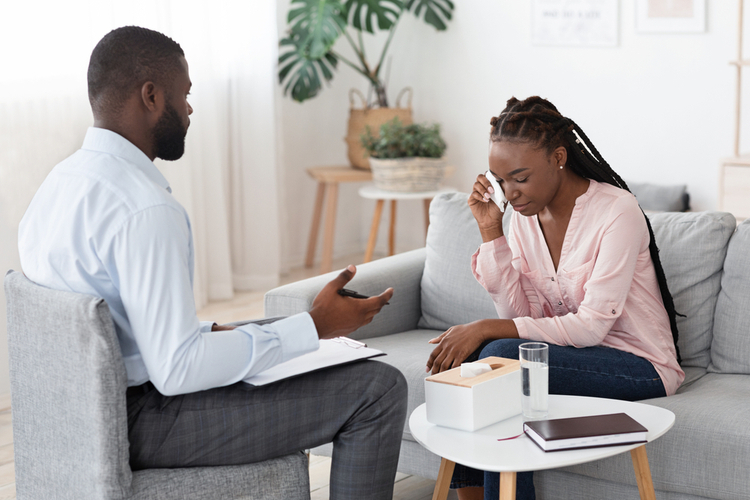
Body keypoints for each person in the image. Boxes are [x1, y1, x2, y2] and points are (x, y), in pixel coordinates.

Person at [18, 26, 407, 500]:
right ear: (151, 96)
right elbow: (176, 370)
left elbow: (117, 333)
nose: (190, 109)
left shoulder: (59, 184)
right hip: (139, 422)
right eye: (184, 94)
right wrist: (313, 327)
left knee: (259, 331)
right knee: (378, 389)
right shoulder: (145, 209)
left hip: (78, 418)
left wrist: (235, 333)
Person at [425, 96, 684, 500]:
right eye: (501, 180)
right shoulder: (524, 219)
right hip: (569, 357)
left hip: (638, 364)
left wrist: (484, 330)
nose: (510, 194)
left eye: (520, 177)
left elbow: (591, 326)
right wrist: (492, 231)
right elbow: (519, 314)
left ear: (558, 157)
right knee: (489, 365)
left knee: (499, 359)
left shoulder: (617, 212)